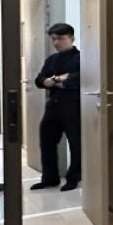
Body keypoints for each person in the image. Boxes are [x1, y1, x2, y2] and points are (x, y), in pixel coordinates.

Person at [32, 22, 81, 191]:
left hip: (73, 106)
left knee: (76, 143)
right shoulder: (51, 60)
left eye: (60, 38)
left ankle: (73, 178)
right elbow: (39, 81)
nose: (56, 42)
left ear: (72, 38)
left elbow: (77, 80)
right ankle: (49, 178)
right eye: (53, 39)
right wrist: (59, 79)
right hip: (53, 106)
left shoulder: (80, 58)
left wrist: (53, 80)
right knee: (46, 141)